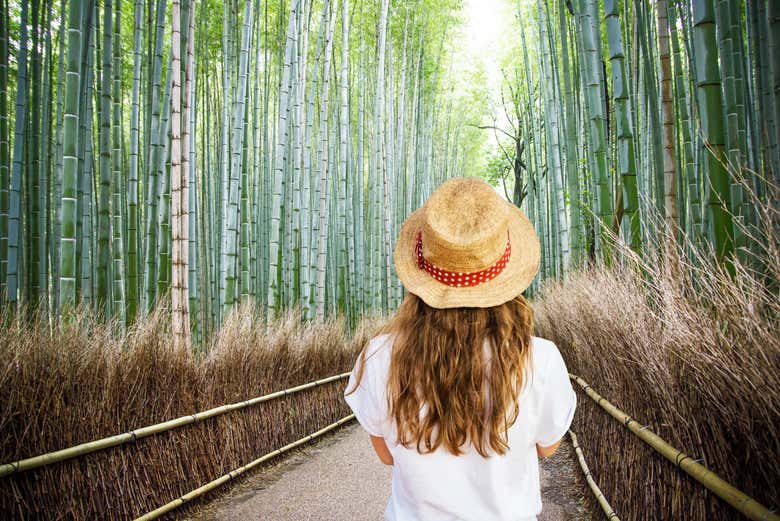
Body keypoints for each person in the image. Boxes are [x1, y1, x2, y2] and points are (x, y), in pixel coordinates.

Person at [344, 177, 577, 521]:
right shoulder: (540, 359)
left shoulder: (379, 356)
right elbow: (547, 447)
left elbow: (387, 455)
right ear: (505, 276)